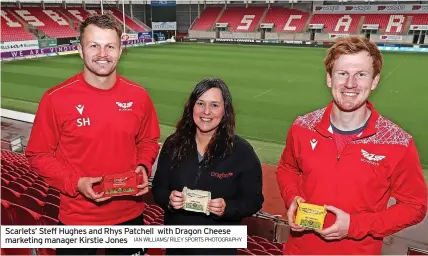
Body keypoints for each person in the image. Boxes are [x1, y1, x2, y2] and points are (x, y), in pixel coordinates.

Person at [276, 36, 427, 254]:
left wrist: (355, 226)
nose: (350, 83)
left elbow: (415, 206)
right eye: (342, 73)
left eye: (361, 75)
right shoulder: (302, 126)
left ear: (374, 81)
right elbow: (287, 169)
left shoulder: (398, 142)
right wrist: (292, 198)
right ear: (329, 78)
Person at [25, 13, 160, 255]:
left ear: (121, 50)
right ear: (80, 49)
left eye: (110, 46)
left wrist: (143, 164)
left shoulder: (139, 96)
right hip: (78, 219)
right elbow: (38, 154)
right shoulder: (55, 98)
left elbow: (148, 140)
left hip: (129, 215)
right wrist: (75, 182)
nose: (102, 54)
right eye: (94, 45)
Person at [151, 78, 264, 255]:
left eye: (214, 105)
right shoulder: (173, 144)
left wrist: (228, 208)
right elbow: (158, 188)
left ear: (225, 110)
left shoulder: (242, 151)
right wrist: (169, 199)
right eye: (200, 103)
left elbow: (254, 201)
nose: (206, 112)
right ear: (191, 107)